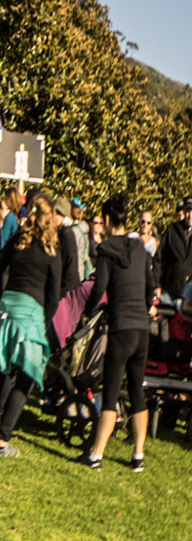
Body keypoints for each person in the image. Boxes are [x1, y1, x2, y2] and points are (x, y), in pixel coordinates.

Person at [80, 192, 156, 472]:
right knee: (137, 390)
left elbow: (99, 287)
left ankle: (96, 454)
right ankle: (138, 456)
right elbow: (150, 285)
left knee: (110, 391)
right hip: (141, 328)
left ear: (109, 219)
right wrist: (147, 306)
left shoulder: (106, 249)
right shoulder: (140, 248)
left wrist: (87, 311)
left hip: (121, 326)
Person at [0, 195, 64, 458]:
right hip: (31, 311)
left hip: (8, 305)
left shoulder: (18, 241)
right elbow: (53, 297)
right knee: (28, 374)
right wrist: (42, 322)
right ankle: (2, 441)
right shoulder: (52, 253)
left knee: (7, 364)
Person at [160, 197, 192, 310]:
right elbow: (158, 257)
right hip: (169, 293)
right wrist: (156, 285)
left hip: (188, 298)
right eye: (188, 211)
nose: (190, 215)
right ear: (184, 211)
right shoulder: (172, 231)